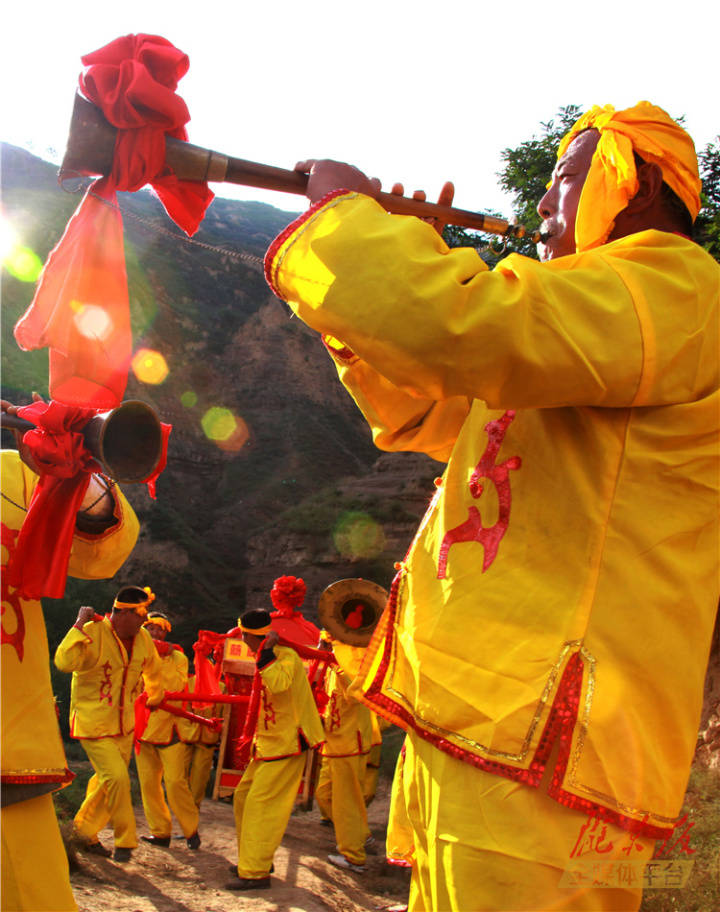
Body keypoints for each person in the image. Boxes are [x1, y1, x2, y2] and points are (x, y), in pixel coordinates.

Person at [263, 101, 719, 911]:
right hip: (486, 724)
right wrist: (379, 299)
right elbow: (432, 413)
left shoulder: (676, 283)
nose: (545, 205)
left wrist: (348, 224)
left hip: (550, 747)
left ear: (638, 186)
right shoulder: (586, 324)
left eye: (568, 178)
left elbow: (459, 329)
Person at [1, 398, 139, 912]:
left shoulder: (13, 473)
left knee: (32, 885)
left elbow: (103, 555)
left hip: (6, 727)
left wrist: (77, 472)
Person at [54, 586, 164, 863]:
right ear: (124, 613)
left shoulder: (142, 639)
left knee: (105, 783)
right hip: (93, 722)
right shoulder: (93, 631)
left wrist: (155, 695)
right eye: (141, 615)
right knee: (117, 778)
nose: (145, 622)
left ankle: (82, 833)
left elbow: (153, 669)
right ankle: (125, 841)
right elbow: (64, 662)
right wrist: (79, 623)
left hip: (124, 725)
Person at [226, 608, 324, 892]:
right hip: (270, 743)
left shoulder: (287, 657)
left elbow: (278, 685)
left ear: (246, 634)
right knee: (243, 798)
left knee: (261, 806)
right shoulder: (270, 655)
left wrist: (267, 654)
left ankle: (255, 872)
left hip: (288, 743)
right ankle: (255, 858)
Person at [135, 610, 201, 850]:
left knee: (175, 783)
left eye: (159, 629)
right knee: (149, 785)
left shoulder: (178, 658)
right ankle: (160, 832)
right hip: (142, 728)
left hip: (170, 727)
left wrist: (160, 660)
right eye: (151, 628)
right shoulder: (134, 651)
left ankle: (191, 829)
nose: (155, 633)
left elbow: (174, 686)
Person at [315, 633, 373, 873]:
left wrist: (334, 661)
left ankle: (353, 855)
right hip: (336, 744)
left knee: (346, 801)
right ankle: (360, 835)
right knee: (324, 794)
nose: (324, 646)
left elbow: (354, 693)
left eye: (328, 642)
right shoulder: (333, 666)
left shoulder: (353, 664)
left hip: (350, 743)